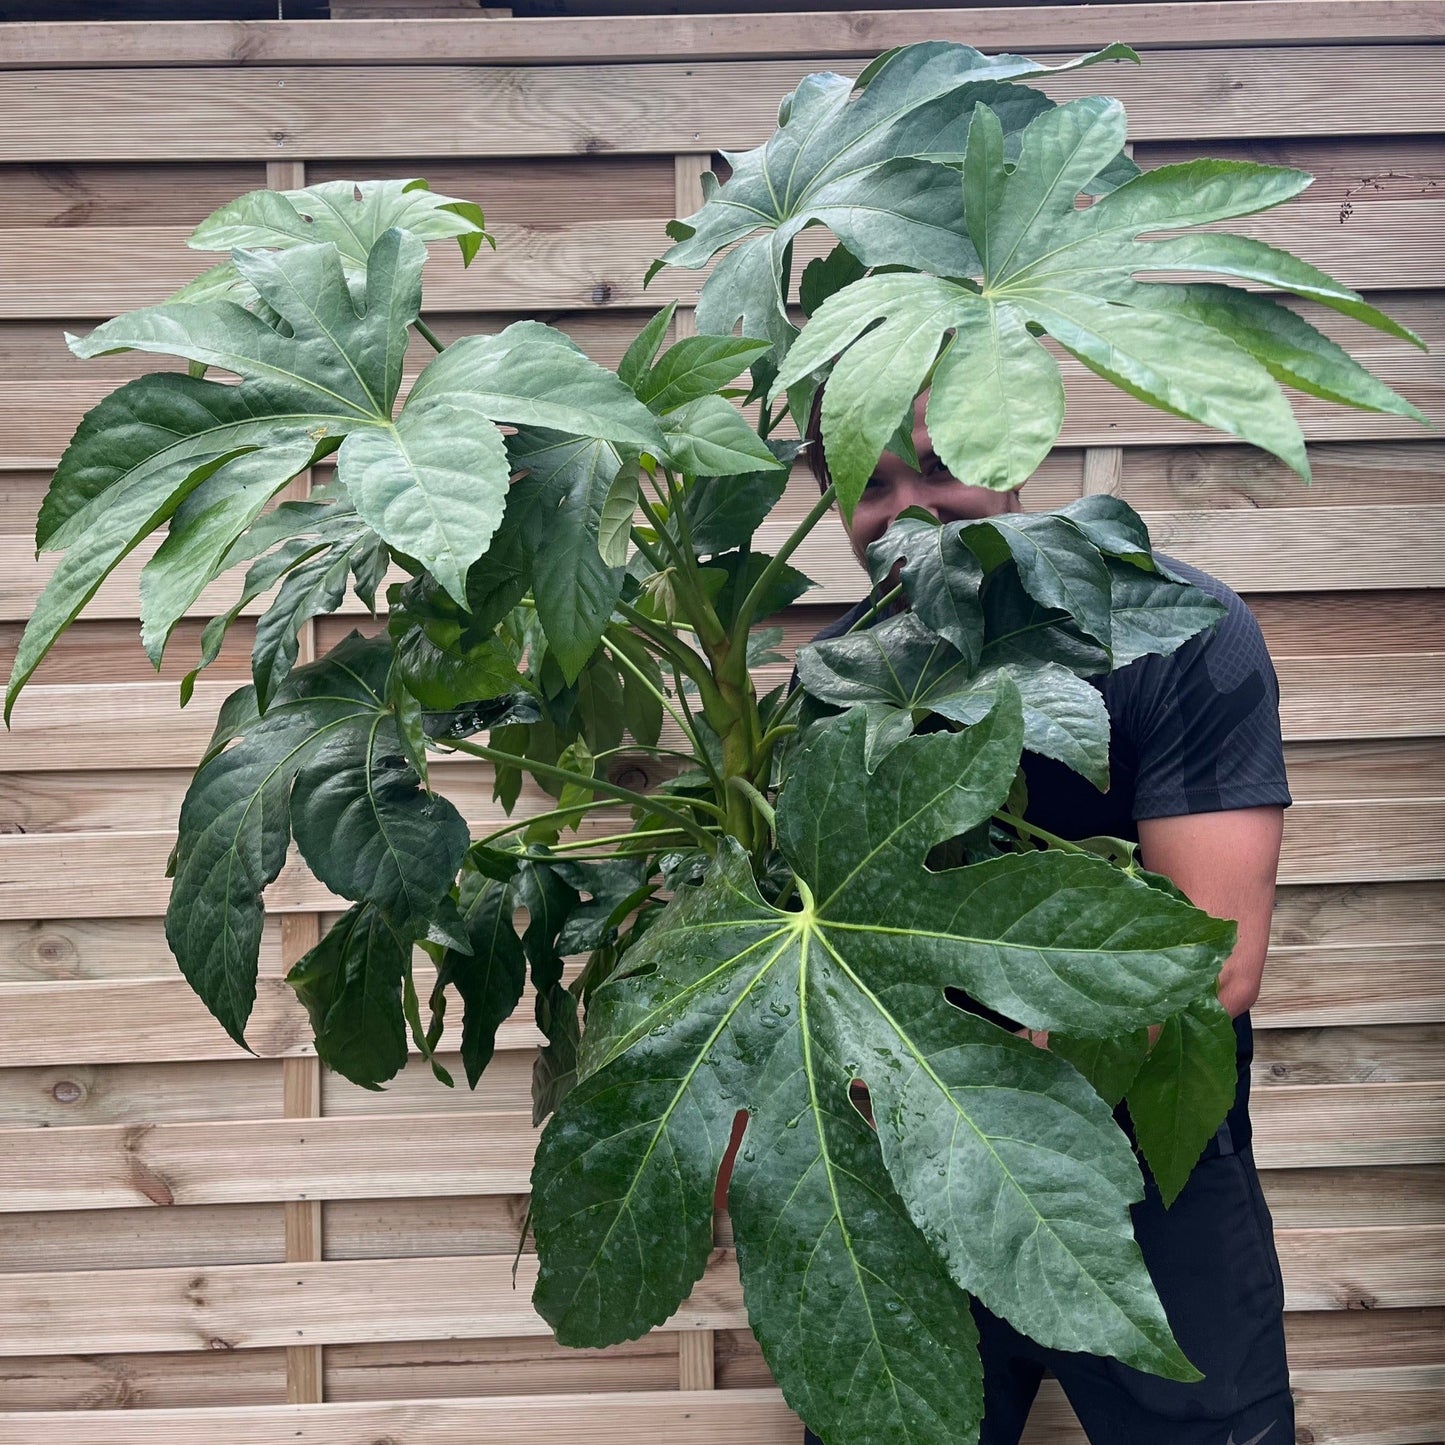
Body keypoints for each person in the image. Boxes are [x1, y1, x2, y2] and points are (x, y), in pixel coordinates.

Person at [799, 394, 1296, 1445]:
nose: (905, 510)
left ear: (1015, 448)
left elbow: (1206, 964)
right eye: (869, 481)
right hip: (908, 1175)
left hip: (1144, 1171)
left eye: (935, 468)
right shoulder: (838, 681)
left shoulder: (1168, 630)